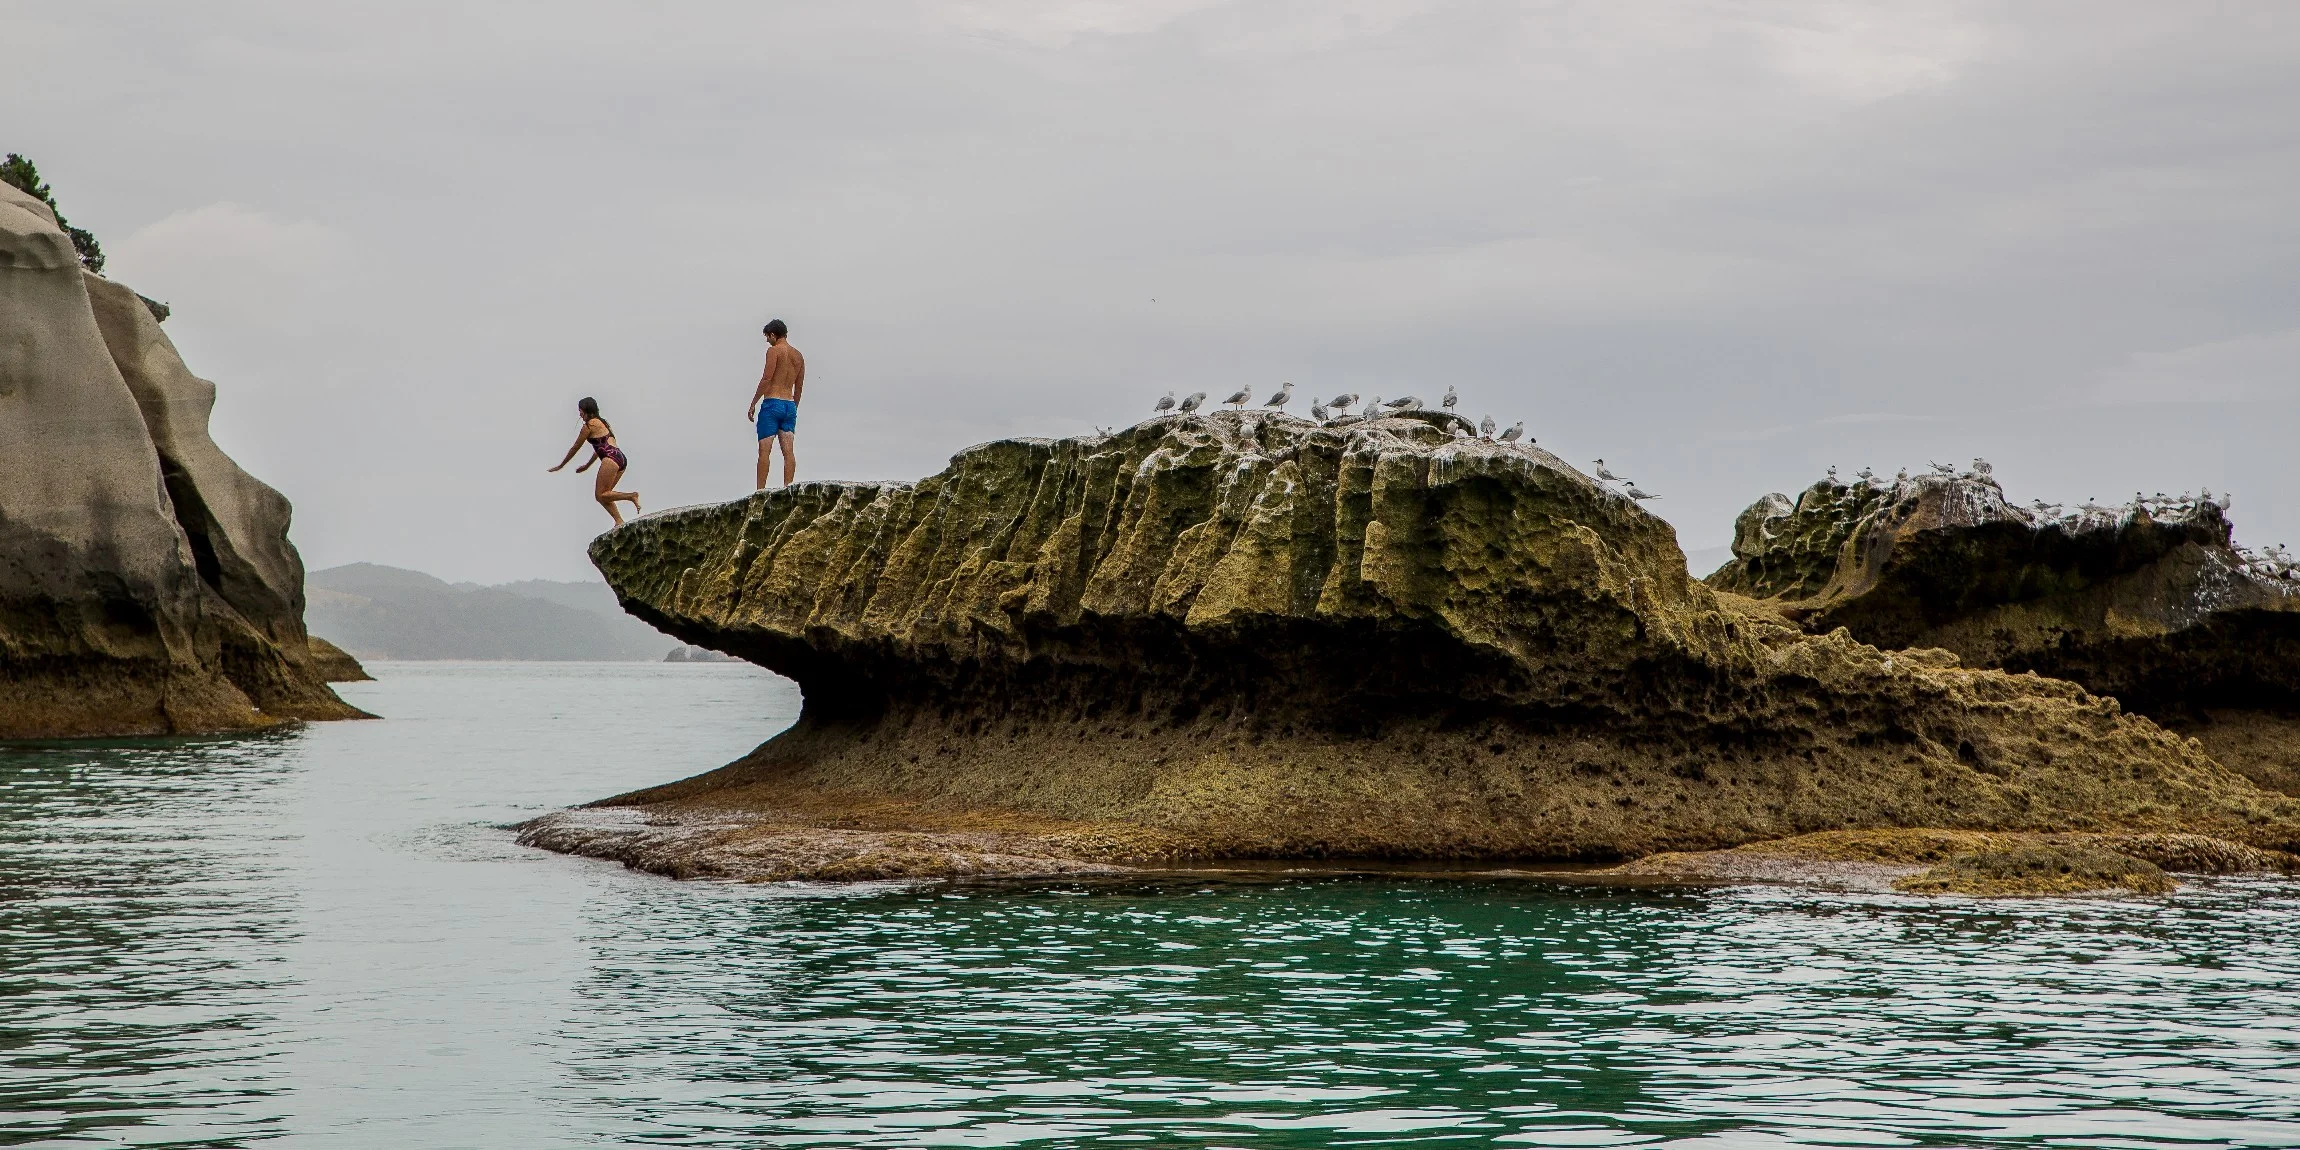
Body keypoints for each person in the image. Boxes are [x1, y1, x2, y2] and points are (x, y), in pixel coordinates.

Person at [547, 397, 641, 525]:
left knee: (601, 495)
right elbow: (600, 448)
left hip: (610, 459)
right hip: (620, 458)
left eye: (580, 411)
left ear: (586, 410)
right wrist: (587, 465)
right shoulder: (604, 423)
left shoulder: (589, 426)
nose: (579, 414)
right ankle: (618, 520)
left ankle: (631, 496)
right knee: (605, 495)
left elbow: (575, 447)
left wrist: (561, 465)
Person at [747, 318, 806, 489]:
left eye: (767, 337)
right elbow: (799, 386)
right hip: (789, 405)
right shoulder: (798, 356)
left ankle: (760, 491)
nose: (767, 340)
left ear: (773, 335)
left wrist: (753, 403)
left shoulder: (774, 351)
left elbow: (767, 378)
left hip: (772, 403)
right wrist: (794, 406)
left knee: (764, 451)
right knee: (788, 452)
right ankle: (788, 487)